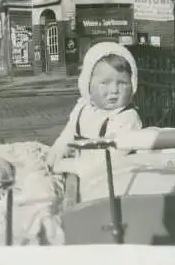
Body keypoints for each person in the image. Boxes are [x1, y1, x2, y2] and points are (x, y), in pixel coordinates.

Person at [46, 41, 143, 170]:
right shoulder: (82, 109)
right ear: (88, 84)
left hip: (114, 179)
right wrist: (55, 156)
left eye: (122, 83)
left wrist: (68, 166)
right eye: (104, 83)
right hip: (80, 173)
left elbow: (109, 158)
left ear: (132, 84)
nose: (114, 90)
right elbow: (67, 137)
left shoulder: (127, 117)